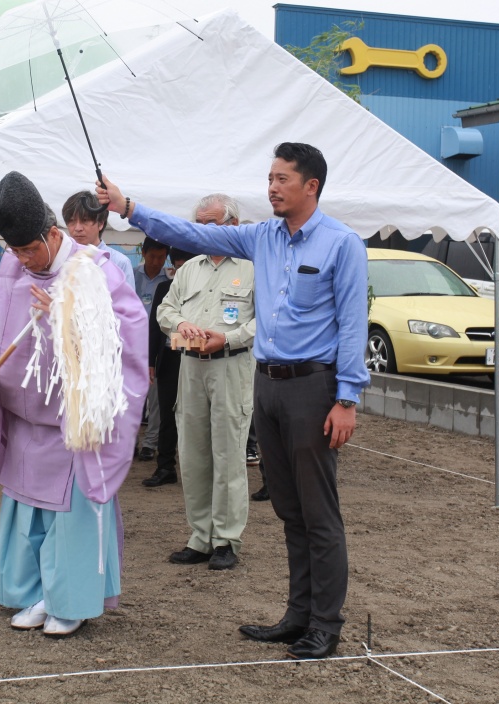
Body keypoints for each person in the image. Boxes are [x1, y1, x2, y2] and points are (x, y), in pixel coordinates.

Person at [96, 142, 369, 660]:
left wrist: (347, 399)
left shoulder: (341, 244)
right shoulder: (262, 237)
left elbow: (354, 324)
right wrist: (128, 206)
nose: (272, 186)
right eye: (269, 177)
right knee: (288, 509)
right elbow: (193, 233)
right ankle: (298, 615)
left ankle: (325, 624)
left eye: (282, 179)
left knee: (319, 513)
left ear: (311, 186)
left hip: (314, 388)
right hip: (266, 385)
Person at [0, 171, 149, 638]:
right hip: (25, 423)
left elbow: (129, 331)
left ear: (53, 234)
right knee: (27, 513)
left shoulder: (92, 268)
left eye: (29, 250)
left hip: (71, 425)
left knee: (68, 519)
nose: (22, 260)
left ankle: (70, 600)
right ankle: (31, 592)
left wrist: (70, 311)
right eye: (15, 251)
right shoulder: (12, 273)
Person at [155, 194, 255, 572]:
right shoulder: (190, 268)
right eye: (198, 222)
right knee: (193, 453)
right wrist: (181, 325)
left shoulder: (253, 267)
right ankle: (199, 537)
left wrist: (227, 338)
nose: (201, 230)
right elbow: (166, 309)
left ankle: (227, 539)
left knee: (228, 454)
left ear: (232, 225)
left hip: (230, 364)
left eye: (210, 223)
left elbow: (267, 320)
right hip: (190, 364)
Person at [142, 246, 198, 489]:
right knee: (167, 413)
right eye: (177, 266)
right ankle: (165, 466)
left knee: (196, 415)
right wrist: (150, 361)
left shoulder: (202, 290)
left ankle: (196, 471)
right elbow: (155, 327)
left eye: (186, 266)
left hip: (197, 357)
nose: (181, 271)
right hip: (169, 356)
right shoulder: (164, 288)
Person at [133, 237, 170, 461]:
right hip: (132, 344)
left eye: (161, 257)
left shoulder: (171, 279)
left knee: (155, 397)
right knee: (132, 397)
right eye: (152, 256)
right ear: (143, 253)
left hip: (156, 346)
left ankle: (150, 443)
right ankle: (130, 441)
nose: (156, 262)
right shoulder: (131, 276)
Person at [62, 190, 135, 289]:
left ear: (100, 223)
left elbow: (127, 303)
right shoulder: (62, 259)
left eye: (85, 220)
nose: (78, 228)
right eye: (71, 221)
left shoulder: (119, 263)